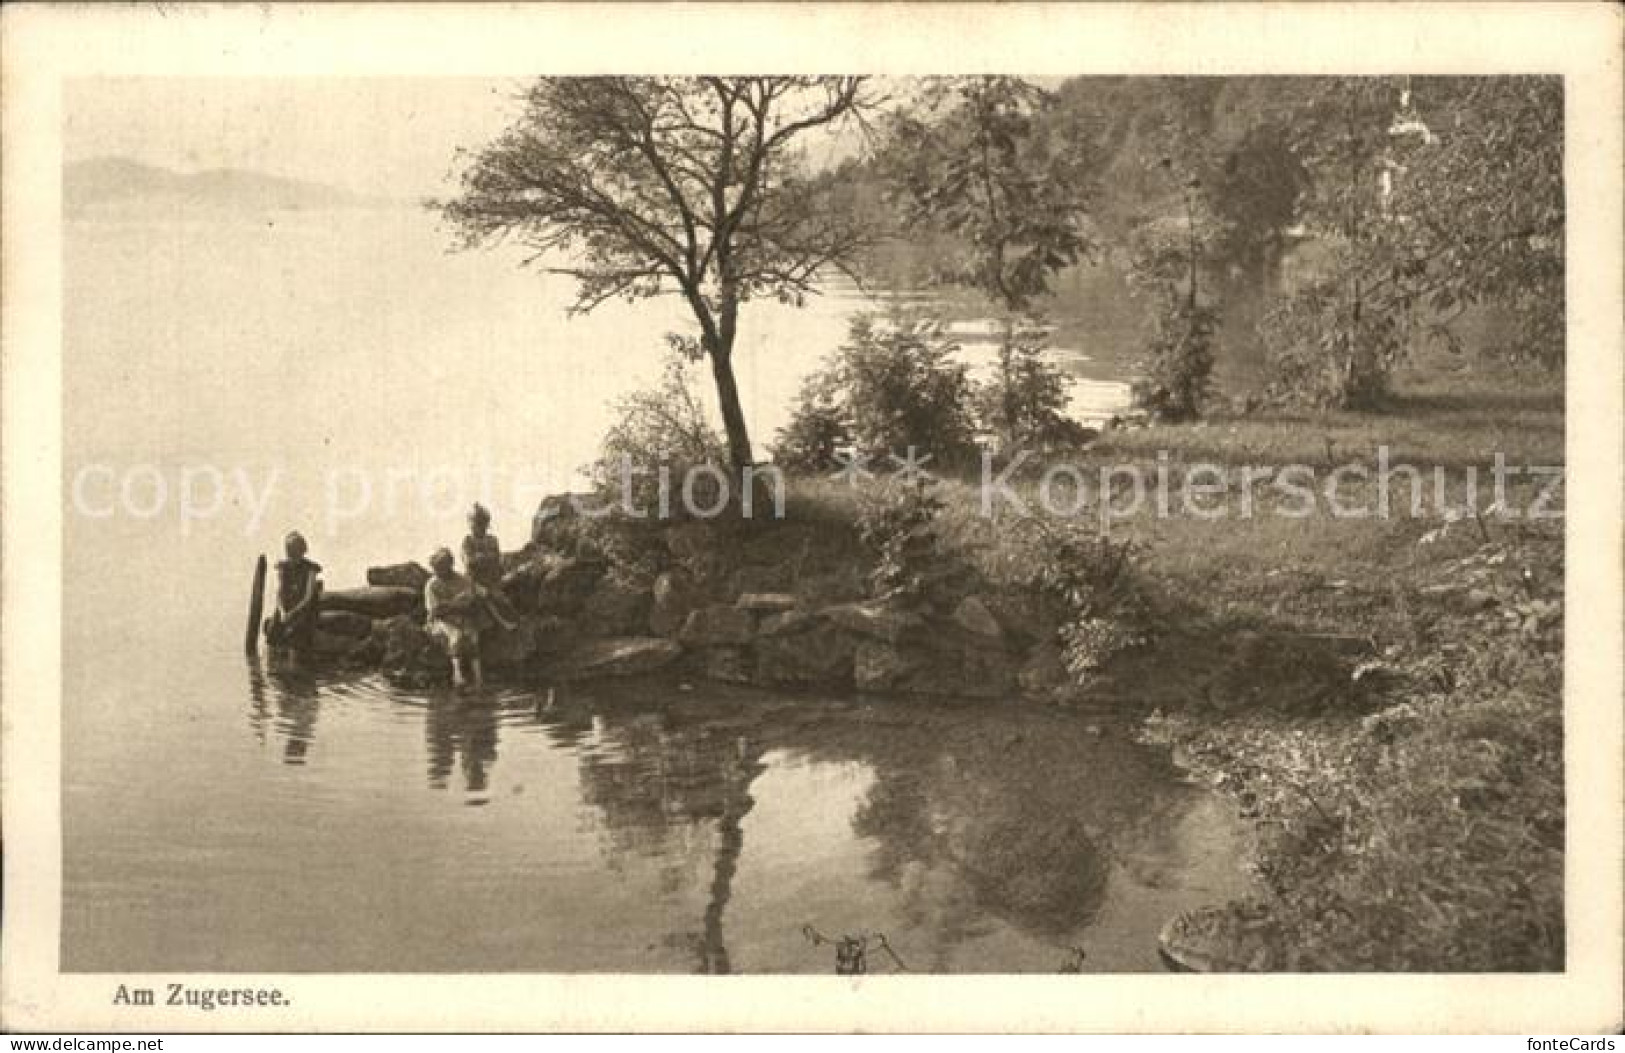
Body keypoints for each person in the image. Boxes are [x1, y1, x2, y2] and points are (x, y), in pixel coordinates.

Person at [426, 547, 483, 688]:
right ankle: (457, 675)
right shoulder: (432, 585)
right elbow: (435, 610)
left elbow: (469, 602)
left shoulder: (462, 580)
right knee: (456, 635)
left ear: (450, 565)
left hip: (461, 617)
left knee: (472, 634)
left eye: (442, 567)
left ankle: (478, 677)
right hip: (440, 621)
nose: (439, 571)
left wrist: (450, 605)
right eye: (436, 568)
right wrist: (455, 604)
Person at [461, 503, 518, 632]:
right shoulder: (467, 541)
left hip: (493, 579)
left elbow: (496, 559)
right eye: (475, 523)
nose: (479, 527)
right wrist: (485, 558)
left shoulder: (492, 540)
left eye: (482, 523)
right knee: (486, 597)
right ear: (470, 524)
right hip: (474, 580)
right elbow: (469, 562)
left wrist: (482, 558)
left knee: (504, 600)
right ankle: (504, 624)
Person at [264, 531, 322, 650]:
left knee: (297, 632)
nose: (293, 558)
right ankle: (275, 656)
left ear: (302, 552)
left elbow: (308, 597)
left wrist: (292, 613)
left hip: (305, 607)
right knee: (273, 629)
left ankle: (297, 655)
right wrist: (282, 611)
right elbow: (280, 593)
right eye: (291, 555)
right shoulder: (283, 567)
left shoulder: (310, 569)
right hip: (287, 606)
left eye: (296, 554)